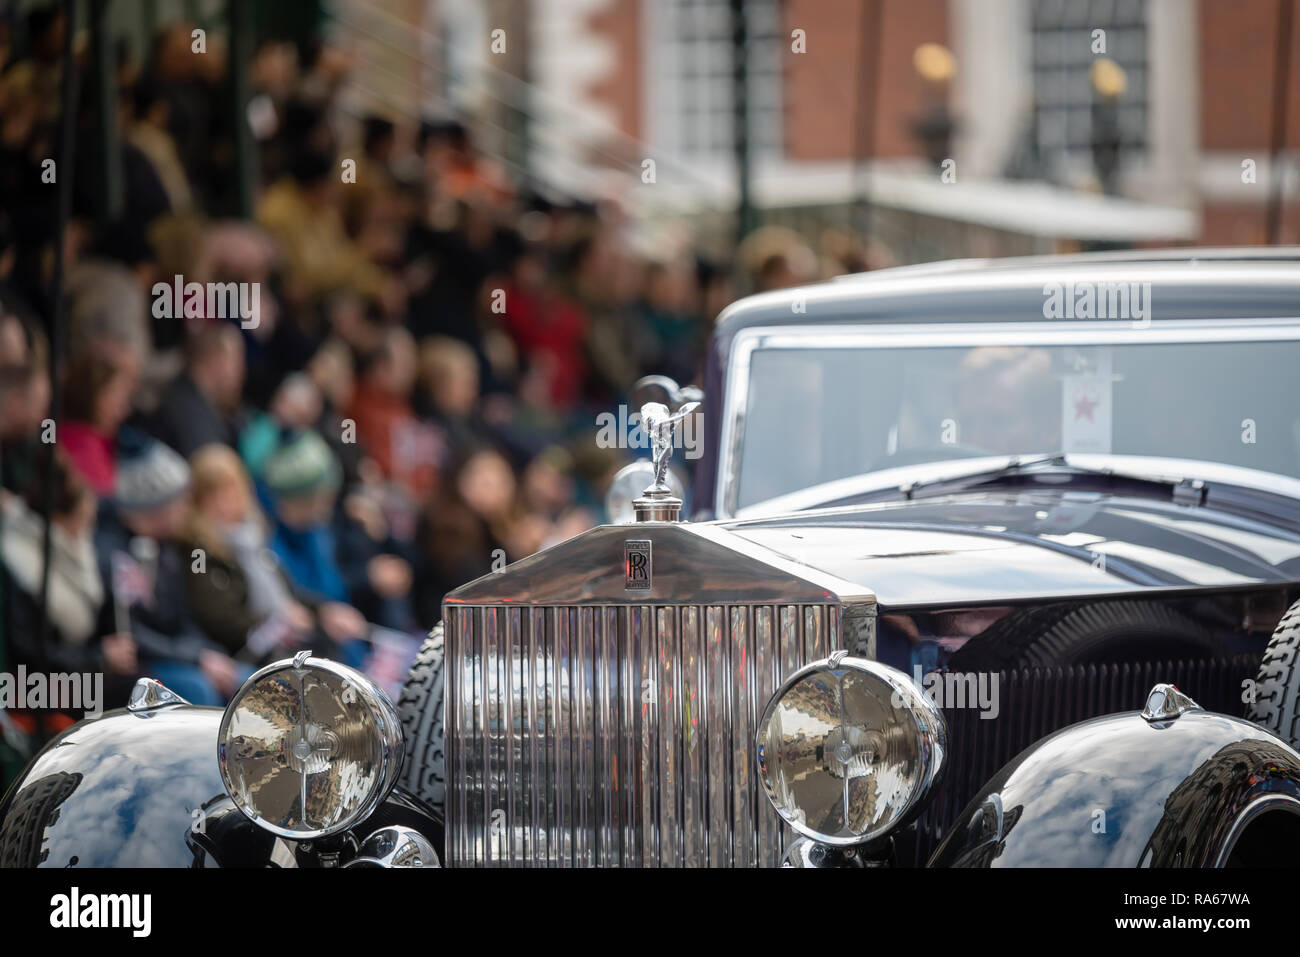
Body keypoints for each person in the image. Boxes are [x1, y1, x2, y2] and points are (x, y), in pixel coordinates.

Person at [95, 429, 246, 705]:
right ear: (154, 508)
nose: (187, 508)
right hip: (148, 667)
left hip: (181, 657)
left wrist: (207, 653)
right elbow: (133, 635)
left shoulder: (164, 547)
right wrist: (197, 658)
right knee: (200, 690)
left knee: (250, 682)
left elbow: (183, 620)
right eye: (180, 500)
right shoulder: (115, 558)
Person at [1, 453, 137, 703]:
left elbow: (99, 612)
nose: (85, 532)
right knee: (130, 691)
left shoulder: (77, 551)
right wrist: (98, 657)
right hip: (36, 686)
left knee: (143, 682)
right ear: (59, 520)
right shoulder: (21, 563)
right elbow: (29, 651)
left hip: (79, 673)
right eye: (81, 522)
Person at [150, 321, 247, 458]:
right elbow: (212, 473)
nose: (241, 372)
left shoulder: (205, 403)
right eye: (236, 361)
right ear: (215, 361)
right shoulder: (185, 409)